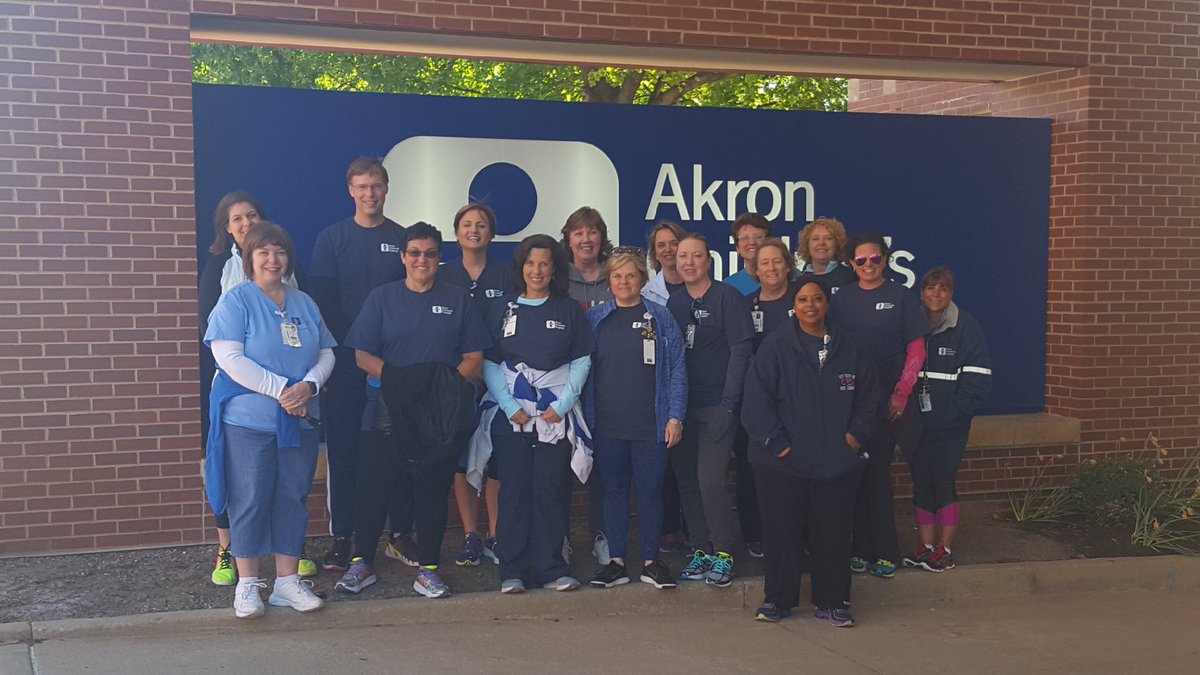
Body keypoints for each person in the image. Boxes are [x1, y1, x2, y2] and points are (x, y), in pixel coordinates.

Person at [334, 222, 491, 598]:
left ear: (440, 258)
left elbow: (475, 358)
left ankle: (429, 570)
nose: (423, 259)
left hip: (437, 418)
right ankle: (362, 565)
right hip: (386, 411)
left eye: (431, 253)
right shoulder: (382, 297)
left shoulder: (457, 299)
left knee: (432, 495)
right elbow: (361, 354)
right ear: (403, 257)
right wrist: (397, 379)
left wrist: (442, 387)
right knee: (372, 490)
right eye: (415, 253)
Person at [203, 222, 335, 619]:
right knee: (250, 499)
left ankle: (287, 583)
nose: (272, 260)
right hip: (249, 422)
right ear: (250, 259)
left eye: (279, 252)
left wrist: (308, 387)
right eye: (263, 252)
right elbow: (229, 358)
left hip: (299, 419)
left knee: (292, 498)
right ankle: (247, 586)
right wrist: (283, 390)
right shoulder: (236, 302)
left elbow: (327, 352)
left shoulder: (304, 303)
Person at [742, 275, 879, 627]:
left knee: (831, 534)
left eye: (816, 299)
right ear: (794, 306)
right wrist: (780, 445)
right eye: (803, 299)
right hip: (781, 462)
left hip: (835, 461)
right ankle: (778, 601)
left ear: (826, 304)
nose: (810, 306)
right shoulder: (775, 346)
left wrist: (855, 437)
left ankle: (833, 601)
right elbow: (755, 404)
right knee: (781, 534)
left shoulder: (850, 346)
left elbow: (868, 398)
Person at [468, 234, 595, 594]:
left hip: (555, 415)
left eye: (544, 263)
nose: (536, 270)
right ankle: (513, 569)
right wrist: (510, 407)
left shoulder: (568, 309)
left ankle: (552, 568)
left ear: (554, 269)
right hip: (514, 417)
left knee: (550, 489)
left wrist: (563, 404)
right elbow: (491, 363)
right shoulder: (502, 308)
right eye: (530, 263)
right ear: (521, 267)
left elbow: (582, 359)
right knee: (514, 491)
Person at [198, 192, 313, 585]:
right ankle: (229, 553)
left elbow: (314, 341)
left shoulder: (295, 288)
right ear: (227, 229)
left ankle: (288, 568)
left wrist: (307, 384)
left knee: (288, 492)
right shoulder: (222, 274)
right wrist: (277, 384)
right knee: (242, 486)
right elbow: (217, 341)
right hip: (242, 396)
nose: (245, 223)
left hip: (292, 403)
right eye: (236, 219)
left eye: (251, 215)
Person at [308, 157, 408, 572]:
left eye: (377, 186)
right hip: (346, 364)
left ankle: (400, 536)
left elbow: (411, 297)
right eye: (362, 186)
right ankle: (342, 538)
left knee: (399, 451)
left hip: (394, 365)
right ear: (350, 190)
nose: (370, 194)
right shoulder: (331, 239)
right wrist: (354, 350)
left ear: (387, 189)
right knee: (345, 452)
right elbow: (324, 304)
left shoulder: (403, 238)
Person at [584, 248, 686, 590]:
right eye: (617, 276)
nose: (624, 282)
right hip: (608, 424)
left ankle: (650, 562)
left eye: (631, 275)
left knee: (650, 492)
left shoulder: (660, 317)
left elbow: (676, 371)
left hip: (651, 424)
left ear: (642, 279)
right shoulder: (596, 319)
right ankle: (615, 563)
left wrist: (675, 416)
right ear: (608, 281)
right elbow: (582, 370)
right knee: (613, 491)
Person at [830, 232, 928, 580]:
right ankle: (859, 549)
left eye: (875, 259)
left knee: (878, 475)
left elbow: (916, 349)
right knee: (853, 473)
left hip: (887, 402)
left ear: (885, 260)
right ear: (851, 264)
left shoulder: (900, 297)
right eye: (861, 260)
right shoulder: (841, 300)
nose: (868, 265)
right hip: (852, 400)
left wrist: (901, 393)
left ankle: (886, 552)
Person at [666, 233, 754, 588]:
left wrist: (729, 404)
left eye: (696, 256)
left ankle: (723, 552)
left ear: (709, 260)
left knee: (710, 480)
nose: (688, 262)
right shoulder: (673, 304)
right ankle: (700, 549)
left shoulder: (727, 298)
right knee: (687, 481)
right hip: (683, 409)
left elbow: (741, 351)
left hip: (719, 406)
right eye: (682, 256)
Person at [901, 267, 992, 573]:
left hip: (950, 424)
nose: (935, 294)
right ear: (922, 291)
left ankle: (945, 549)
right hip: (916, 423)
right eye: (930, 288)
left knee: (943, 482)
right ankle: (926, 548)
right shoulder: (912, 323)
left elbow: (978, 376)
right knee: (921, 483)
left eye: (942, 289)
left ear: (950, 294)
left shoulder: (965, 326)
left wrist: (957, 411)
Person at [440, 203, 512, 568]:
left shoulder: (507, 274)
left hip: (500, 380)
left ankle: (496, 534)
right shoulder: (443, 275)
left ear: (491, 233)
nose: (474, 230)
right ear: (456, 233)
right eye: (466, 224)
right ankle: (471, 535)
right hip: (457, 381)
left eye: (481, 225)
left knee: (496, 459)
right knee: (462, 459)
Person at [736, 238, 802, 559]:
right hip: (760, 404)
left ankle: (801, 536)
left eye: (777, 261)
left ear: (788, 265)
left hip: (801, 401)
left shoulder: (804, 299)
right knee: (755, 471)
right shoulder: (747, 306)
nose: (772, 268)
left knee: (799, 469)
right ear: (755, 271)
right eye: (765, 263)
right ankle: (756, 534)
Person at [560, 206, 613, 564]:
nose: (586, 239)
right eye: (579, 232)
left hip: (609, 385)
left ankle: (601, 534)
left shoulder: (616, 277)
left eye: (592, 232)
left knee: (603, 467)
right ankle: (561, 537)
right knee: (560, 466)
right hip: (562, 387)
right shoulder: (556, 279)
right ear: (568, 238)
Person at [796, 218, 856, 295]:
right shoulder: (799, 281)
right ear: (807, 245)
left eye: (828, 238)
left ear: (837, 244)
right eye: (815, 239)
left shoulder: (850, 277)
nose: (821, 243)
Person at [723, 212, 772, 296]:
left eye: (758, 237)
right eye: (745, 238)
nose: (752, 242)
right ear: (737, 247)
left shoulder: (794, 280)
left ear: (769, 241)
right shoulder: (728, 287)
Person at [641, 220, 686, 307]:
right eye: (661, 245)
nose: (668, 249)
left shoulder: (702, 288)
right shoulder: (646, 294)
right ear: (655, 254)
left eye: (674, 244)